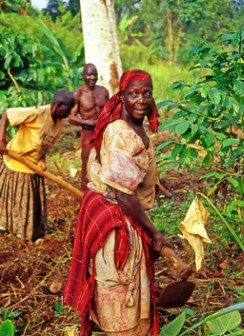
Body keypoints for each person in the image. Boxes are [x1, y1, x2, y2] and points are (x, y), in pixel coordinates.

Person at [64, 70, 192, 336]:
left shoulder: (135, 129)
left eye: (147, 93)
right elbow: (124, 195)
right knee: (120, 278)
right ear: (121, 97)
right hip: (115, 214)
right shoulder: (120, 135)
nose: (141, 100)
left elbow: (136, 175)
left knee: (125, 280)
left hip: (120, 208)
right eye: (133, 93)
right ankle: (121, 330)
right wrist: (155, 233)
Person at [0, 90, 76, 242]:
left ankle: (23, 232)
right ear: (59, 105)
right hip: (17, 162)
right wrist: (1, 140)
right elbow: (7, 114)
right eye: (67, 110)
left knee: (30, 206)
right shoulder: (37, 113)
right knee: (15, 202)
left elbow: (44, 146)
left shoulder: (59, 124)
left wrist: (42, 160)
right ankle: (14, 233)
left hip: (33, 166)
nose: (69, 115)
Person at [69, 63, 109, 191]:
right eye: (89, 74)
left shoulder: (103, 91)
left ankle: (105, 198)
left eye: (94, 74)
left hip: (104, 133)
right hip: (88, 135)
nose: (92, 77)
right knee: (87, 167)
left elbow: (110, 111)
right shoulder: (78, 94)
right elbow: (71, 117)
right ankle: (85, 199)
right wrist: (89, 123)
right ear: (83, 76)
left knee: (107, 164)